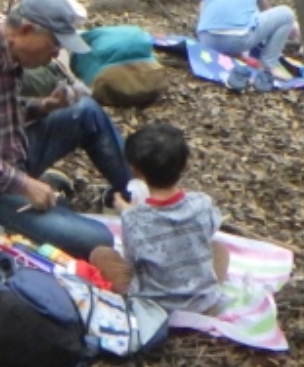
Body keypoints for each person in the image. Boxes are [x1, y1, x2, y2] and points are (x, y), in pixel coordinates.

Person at [0, 0, 134, 257]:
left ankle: (142, 199)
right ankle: (41, 208)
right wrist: (25, 185)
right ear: (27, 30)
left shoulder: (9, 52)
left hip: (12, 154)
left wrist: (45, 106)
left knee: (85, 111)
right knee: (100, 240)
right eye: (54, 44)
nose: (55, 54)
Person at [93, 123, 227, 315]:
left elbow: (133, 262)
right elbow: (207, 232)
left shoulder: (134, 219)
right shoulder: (203, 204)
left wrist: (128, 211)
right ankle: (202, 304)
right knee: (219, 249)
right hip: (203, 303)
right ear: (185, 166)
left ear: (136, 171)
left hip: (155, 307)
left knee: (101, 254)